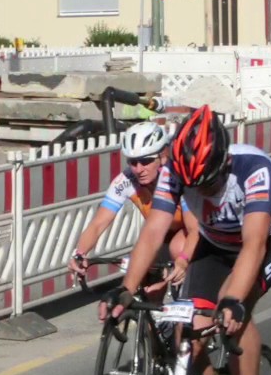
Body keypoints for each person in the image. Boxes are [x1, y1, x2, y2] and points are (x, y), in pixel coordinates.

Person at [103, 105, 271, 375]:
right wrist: (126, 289)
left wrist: (233, 299)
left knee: (232, 312)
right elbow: (153, 231)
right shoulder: (174, 172)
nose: (201, 193)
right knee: (186, 333)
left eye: (207, 184)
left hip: (266, 242)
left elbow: (254, 245)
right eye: (193, 186)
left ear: (223, 163)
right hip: (214, 241)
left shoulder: (254, 169)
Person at [68, 121, 191, 299]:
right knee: (145, 286)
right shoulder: (126, 180)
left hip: (189, 231)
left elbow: (194, 227)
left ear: (163, 156)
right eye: (133, 162)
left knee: (176, 247)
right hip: (160, 233)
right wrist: (79, 253)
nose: (139, 169)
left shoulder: (177, 177)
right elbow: (98, 223)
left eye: (146, 161)